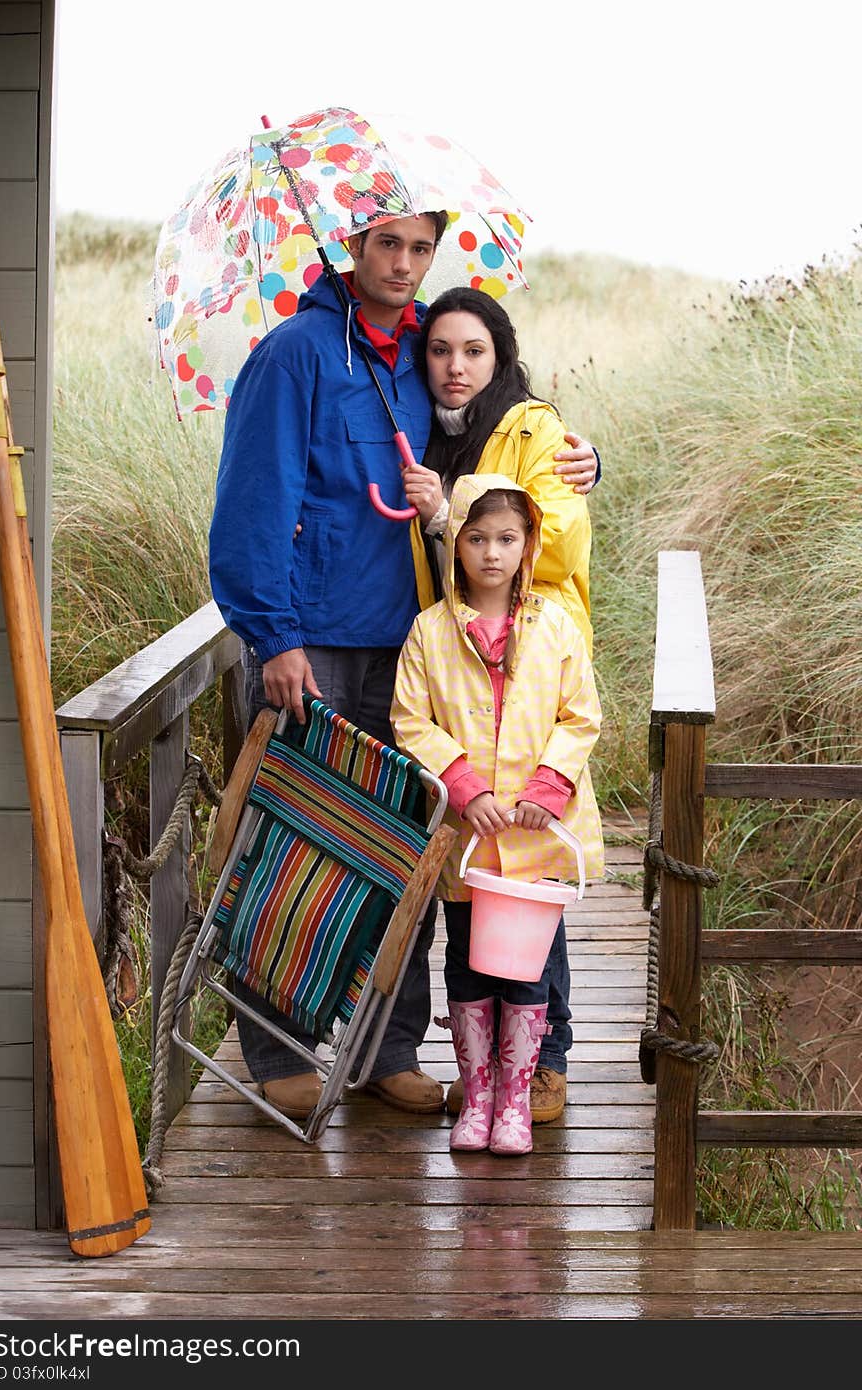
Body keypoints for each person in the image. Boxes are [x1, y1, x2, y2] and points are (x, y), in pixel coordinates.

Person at [209, 212, 599, 1121]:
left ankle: (388, 1045)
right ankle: (279, 1047)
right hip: (314, 648)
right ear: (353, 247)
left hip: (416, 650)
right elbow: (253, 502)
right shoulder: (297, 353)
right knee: (302, 845)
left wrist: (584, 461)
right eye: (389, 245)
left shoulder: (419, 356)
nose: (405, 264)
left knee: (416, 855)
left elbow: (495, 463)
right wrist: (273, 635)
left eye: (421, 249)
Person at [399, 286, 596, 1123]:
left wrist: (450, 516)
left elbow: (557, 526)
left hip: (533, 664)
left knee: (532, 890)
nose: (455, 367)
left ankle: (543, 1064)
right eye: (440, 350)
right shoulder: (423, 426)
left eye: (473, 351)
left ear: (500, 355)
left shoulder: (532, 427)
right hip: (452, 667)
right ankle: (485, 1082)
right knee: (478, 895)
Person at [390, 474, 604, 1154]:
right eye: (476, 539)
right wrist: (462, 784)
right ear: (455, 546)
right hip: (469, 837)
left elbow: (581, 717)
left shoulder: (557, 628)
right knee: (467, 963)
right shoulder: (428, 633)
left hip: (539, 836)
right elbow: (410, 720)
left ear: (529, 544)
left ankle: (516, 1097)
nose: (491, 553)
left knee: (527, 967)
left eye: (507, 539)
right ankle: (475, 1096)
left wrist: (548, 788)